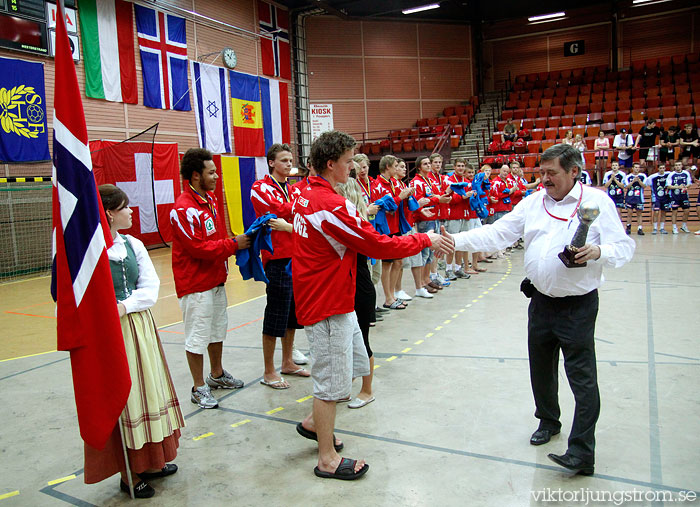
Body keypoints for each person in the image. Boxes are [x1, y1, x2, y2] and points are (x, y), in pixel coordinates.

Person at [446, 143, 635, 476]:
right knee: (541, 367)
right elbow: (498, 233)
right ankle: (548, 421)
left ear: (574, 172)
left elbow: (624, 247)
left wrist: (598, 251)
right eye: (541, 172)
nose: (544, 179)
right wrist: (455, 241)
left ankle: (581, 452)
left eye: (552, 173)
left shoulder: (597, 202)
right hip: (541, 302)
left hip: (578, 306)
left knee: (583, 379)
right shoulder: (532, 203)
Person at [293, 130, 453, 480]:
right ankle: (326, 459)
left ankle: (312, 423)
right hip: (326, 301)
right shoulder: (328, 204)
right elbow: (376, 244)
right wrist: (424, 238)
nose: (353, 168)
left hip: (333, 294)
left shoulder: (306, 192)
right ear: (331, 163)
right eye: (349, 162)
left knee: (351, 360)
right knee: (331, 382)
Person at [91, 185, 184, 498]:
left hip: (139, 327)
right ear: (109, 214)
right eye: (125, 207)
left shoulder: (132, 243)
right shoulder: (91, 251)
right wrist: (108, 312)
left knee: (148, 392)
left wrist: (124, 306)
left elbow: (150, 286)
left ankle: (149, 461)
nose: (131, 212)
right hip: (109, 333)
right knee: (124, 397)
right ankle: (127, 472)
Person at [170, 148, 251, 409]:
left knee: (217, 330)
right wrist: (233, 245)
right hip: (195, 284)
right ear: (195, 176)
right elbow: (198, 248)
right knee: (197, 336)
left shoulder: (211, 199)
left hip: (215, 280)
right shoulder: (183, 209)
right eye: (211, 172)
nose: (217, 176)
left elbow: (215, 239)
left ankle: (216, 375)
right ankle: (198, 387)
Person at [250, 144, 310, 390]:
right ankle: (268, 370)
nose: (289, 164)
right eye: (283, 160)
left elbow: (294, 212)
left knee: (292, 314)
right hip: (276, 259)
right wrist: (297, 209)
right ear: (271, 162)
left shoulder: (293, 189)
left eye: (290, 160)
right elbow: (278, 211)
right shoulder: (260, 187)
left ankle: (287, 362)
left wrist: (294, 212)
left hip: (296, 256)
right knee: (275, 314)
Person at [335, 177, 377, 409]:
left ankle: (367, 389)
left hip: (359, 288)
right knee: (347, 341)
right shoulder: (341, 220)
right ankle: (347, 383)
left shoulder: (356, 223)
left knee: (362, 341)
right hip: (345, 288)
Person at [373, 154, 414, 309]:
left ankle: (393, 295)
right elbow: (382, 207)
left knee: (398, 261)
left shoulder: (393, 183)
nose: (398, 169)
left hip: (396, 227)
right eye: (396, 166)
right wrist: (399, 198)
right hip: (385, 228)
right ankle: (388, 298)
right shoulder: (378, 185)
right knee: (387, 263)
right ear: (388, 167)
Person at [444, 157, 472, 279]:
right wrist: (464, 197)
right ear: (454, 167)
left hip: (465, 215)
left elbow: (469, 198)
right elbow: (448, 200)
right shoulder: (449, 181)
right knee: (451, 243)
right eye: (458, 165)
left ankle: (458, 268)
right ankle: (448, 269)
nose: (461, 168)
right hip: (454, 216)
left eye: (462, 166)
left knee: (461, 243)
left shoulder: (467, 181)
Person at [665, 160, 693, 234]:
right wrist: (677, 187)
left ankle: (684, 226)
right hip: (675, 196)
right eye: (676, 165)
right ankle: (674, 227)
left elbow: (689, 184)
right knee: (674, 211)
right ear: (674, 166)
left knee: (686, 211)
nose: (678, 166)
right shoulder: (671, 174)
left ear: (682, 166)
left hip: (684, 195)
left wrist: (684, 186)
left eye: (679, 165)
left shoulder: (686, 173)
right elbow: (668, 186)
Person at [623, 162, 647, 235]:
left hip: (639, 198)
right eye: (635, 167)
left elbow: (644, 186)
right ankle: (628, 228)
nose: (637, 169)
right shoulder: (628, 176)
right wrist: (633, 181)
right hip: (630, 197)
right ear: (632, 168)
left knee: (639, 213)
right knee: (629, 213)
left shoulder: (643, 176)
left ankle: (640, 228)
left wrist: (639, 181)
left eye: (638, 167)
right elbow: (626, 186)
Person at [647, 163, 670, 234]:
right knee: (656, 212)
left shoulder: (668, 174)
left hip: (665, 197)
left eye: (663, 168)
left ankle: (662, 228)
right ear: (658, 169)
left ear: (665, 168)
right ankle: (655, 228)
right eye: (660, 168)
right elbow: (646, 184)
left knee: (663, 212)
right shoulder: (652, 177)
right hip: (656, 197)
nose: (662, 169)